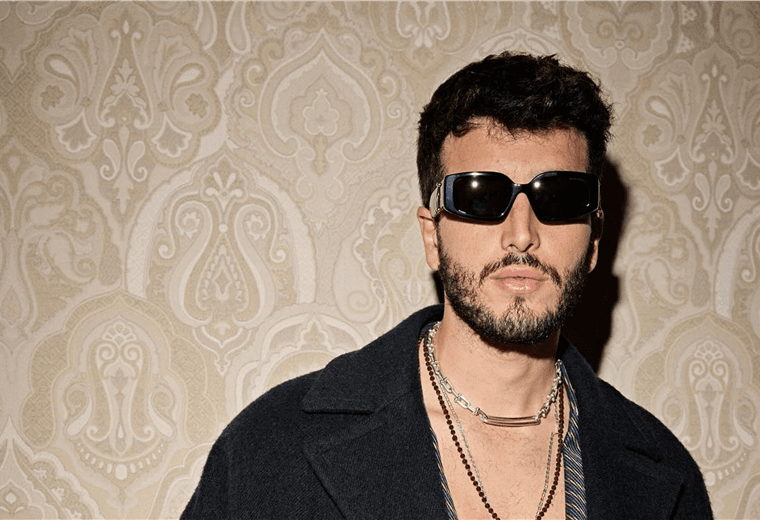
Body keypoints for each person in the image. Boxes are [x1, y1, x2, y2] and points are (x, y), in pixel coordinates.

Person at [181, 52, 713, 519]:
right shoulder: (270, 448)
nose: (521, 234)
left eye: (559, 198)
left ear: (593, 241)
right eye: (480, 196)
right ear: (432, 236)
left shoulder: (666, 475)